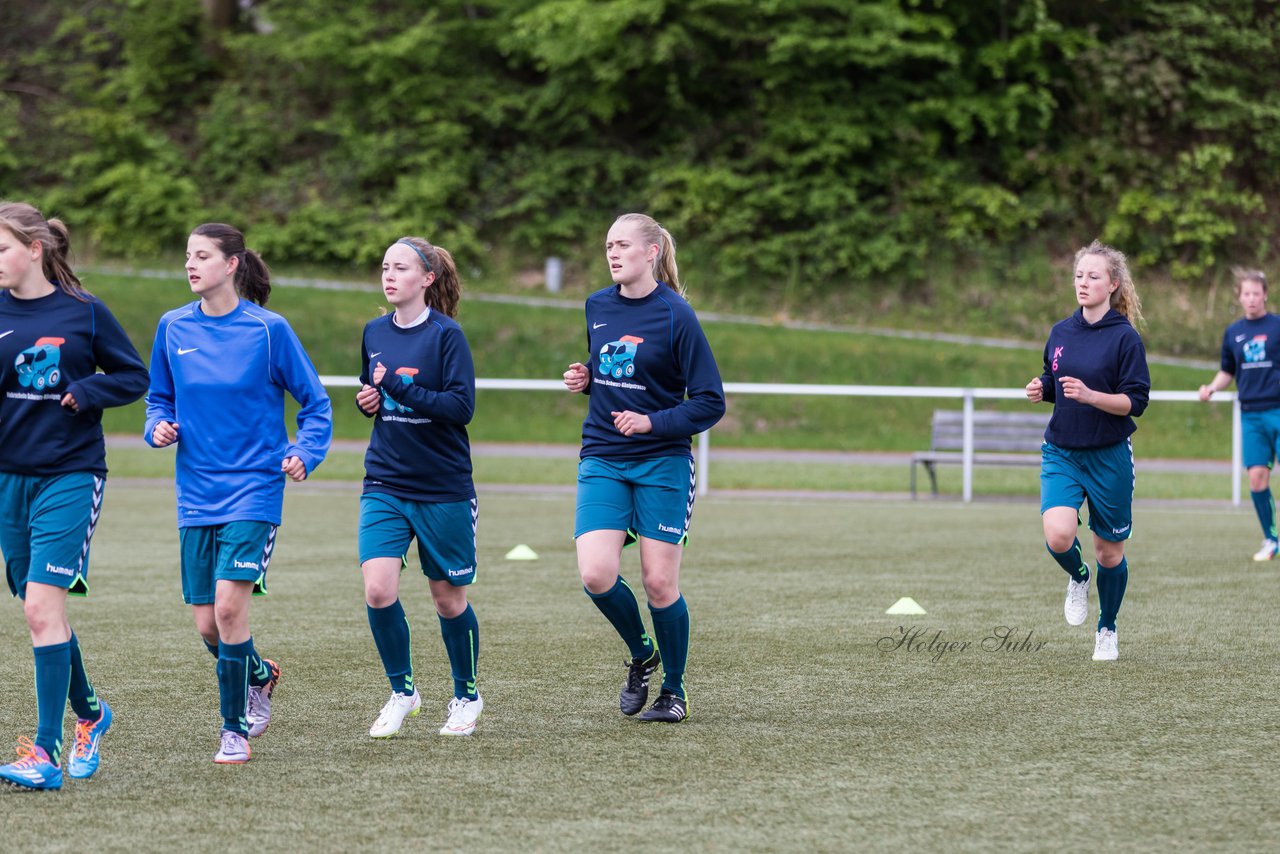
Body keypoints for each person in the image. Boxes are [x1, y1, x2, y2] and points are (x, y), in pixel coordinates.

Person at [144, 223, 332, 764]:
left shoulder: (269, 330)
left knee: (229, 609)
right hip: (195, 493)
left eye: (201, 256)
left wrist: (304, 452)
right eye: (187, 256)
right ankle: (259, 674)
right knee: (207, 622)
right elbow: (159, 398)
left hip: (255, 488)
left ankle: (233, 730)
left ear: (232, 264)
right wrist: (158, 427)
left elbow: (315, 405)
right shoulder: (171, 326)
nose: (190, 265)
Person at [0, 202, 149, 790]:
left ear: (34, 249)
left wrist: (88, 390)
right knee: (42, 609)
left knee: (41, 608)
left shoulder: (85, 314)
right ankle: (90, 713)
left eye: (2, 248)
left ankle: (44, 751)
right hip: (8, 479)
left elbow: (133, 376)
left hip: (70, 474)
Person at [562, 213, 725, 723]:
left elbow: (709, 403)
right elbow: (619, 373)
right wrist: (588, 377)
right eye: (608, 244)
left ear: (651, 252)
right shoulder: (596, 306)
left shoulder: (677, 315)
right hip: (603, 457)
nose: (613, 253)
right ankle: (642, 652)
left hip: (662, 461)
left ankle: (673, 693)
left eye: (623, 245)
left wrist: (652, 424)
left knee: (659, 583)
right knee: (595, 573)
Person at [355, 236, 484, 738]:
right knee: (377, 588)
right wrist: (370, 399)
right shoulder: (373, 332)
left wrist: (398, 388)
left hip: (443, 486)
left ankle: (467, 696)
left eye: (401, 268)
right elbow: (372, 390)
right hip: (384, 479)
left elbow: (461, 408)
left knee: (447, 599)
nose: (389, 275)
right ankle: (403, 691)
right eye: (384, 266)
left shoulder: (447, 336)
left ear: (427, 279)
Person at [1025, 239, 1150, 662]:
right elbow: (1053, 378)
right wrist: (1041, 387)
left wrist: (1093, 396)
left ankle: (1107, 628)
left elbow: (1135, 402)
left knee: (1108, 552)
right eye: (1079, 275)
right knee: (1059, 536)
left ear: (1112, 284)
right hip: (1062, 450)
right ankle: (1078, 577)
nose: (1083, 282)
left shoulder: (1125, 338)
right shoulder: (1061, 331)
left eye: (1093, 276)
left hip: (1109, 455)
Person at [1198, 269, 1280, 561]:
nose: (1252, 298)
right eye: (1246, 294)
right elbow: (1227, 371)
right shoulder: (1233, 333)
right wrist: (1211, 388)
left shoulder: (1277, 325)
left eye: (1256, 293)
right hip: (1251, 416)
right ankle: (1271, 540)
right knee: (1257, 479)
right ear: (1240, 297)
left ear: (1265, 295)